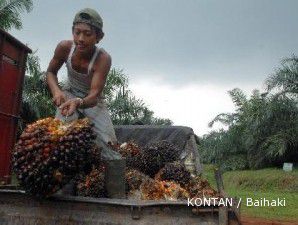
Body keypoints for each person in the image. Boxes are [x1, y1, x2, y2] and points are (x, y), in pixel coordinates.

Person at [46, 8, 121, 160]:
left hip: (92, 102)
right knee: (61, 141)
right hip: (69, 95)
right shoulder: (64, 48)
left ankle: (113, 182)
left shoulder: (103, 58)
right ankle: (63, 181)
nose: (80, 38)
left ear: (98, 37)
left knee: (111, 149)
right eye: (77, 32)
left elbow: (94, 95)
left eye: (87, 34)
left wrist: (79, 102)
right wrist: (57, 91)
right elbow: (50, 72)